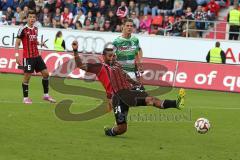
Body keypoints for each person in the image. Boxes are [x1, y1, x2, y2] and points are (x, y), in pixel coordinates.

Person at [71, 40, 186, 137]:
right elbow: (81, 65)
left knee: (151, 100)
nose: (112, 58)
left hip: (128, 93)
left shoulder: (117, 65)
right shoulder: (99, 67)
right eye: (110, 56)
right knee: (122, 129)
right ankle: (110, 131)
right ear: (103, 57)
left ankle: (176, 103)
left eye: (114, 55)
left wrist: (136, 84)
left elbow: (125, 76)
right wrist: (75, 51)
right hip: (117, 98)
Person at [15, 10, 56, 104]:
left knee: (46, 74)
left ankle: (46, 95)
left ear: (35, 18)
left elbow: (34, 41)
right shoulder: (23, 29)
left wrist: (40, 43)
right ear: (27, 18)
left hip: (37, 56)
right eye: (30, 17)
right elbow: (17, 43)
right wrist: (16, 56)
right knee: (27, 77)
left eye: (34, 17)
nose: (32, 19)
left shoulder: (36, 29)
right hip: (28, 57)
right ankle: (25, 98)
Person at [112, 18, 144, 90]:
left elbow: (139, 50)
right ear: (123, 26)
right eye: (127, 25)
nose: (129, 27)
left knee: (135, 93)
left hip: (132, 72)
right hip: (121, 73)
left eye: (131, 26)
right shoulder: (117, 41)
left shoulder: (135, 40)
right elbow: (111, 56)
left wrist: (140, 62)